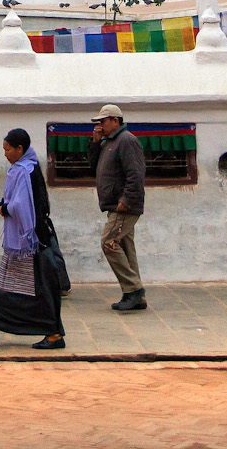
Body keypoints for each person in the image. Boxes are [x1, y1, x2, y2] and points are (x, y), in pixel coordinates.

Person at [0, 128, 65, 349]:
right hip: (22, 242)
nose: (5, 154)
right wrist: (2, 206)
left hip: (30, 240)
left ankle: (54, 335)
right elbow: (17, 198)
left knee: (39, 287)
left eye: (8, 149)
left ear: (20, 149)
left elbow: (21, 205)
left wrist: (4, 209)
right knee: (4, 284)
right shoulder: (25, 168)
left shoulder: (24, 170)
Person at [88, 103, 147, 311]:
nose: (99, 126)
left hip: (124, 206)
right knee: (125, 247)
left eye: (102, 121)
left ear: (115, 120)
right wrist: (95, 144)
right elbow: (93, 166)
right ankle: (136, 297)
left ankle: (133, 288)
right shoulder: (108, 142)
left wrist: (126, 200)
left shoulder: (127, 141)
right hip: (114, 205)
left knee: (108, 242)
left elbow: (135, 174)